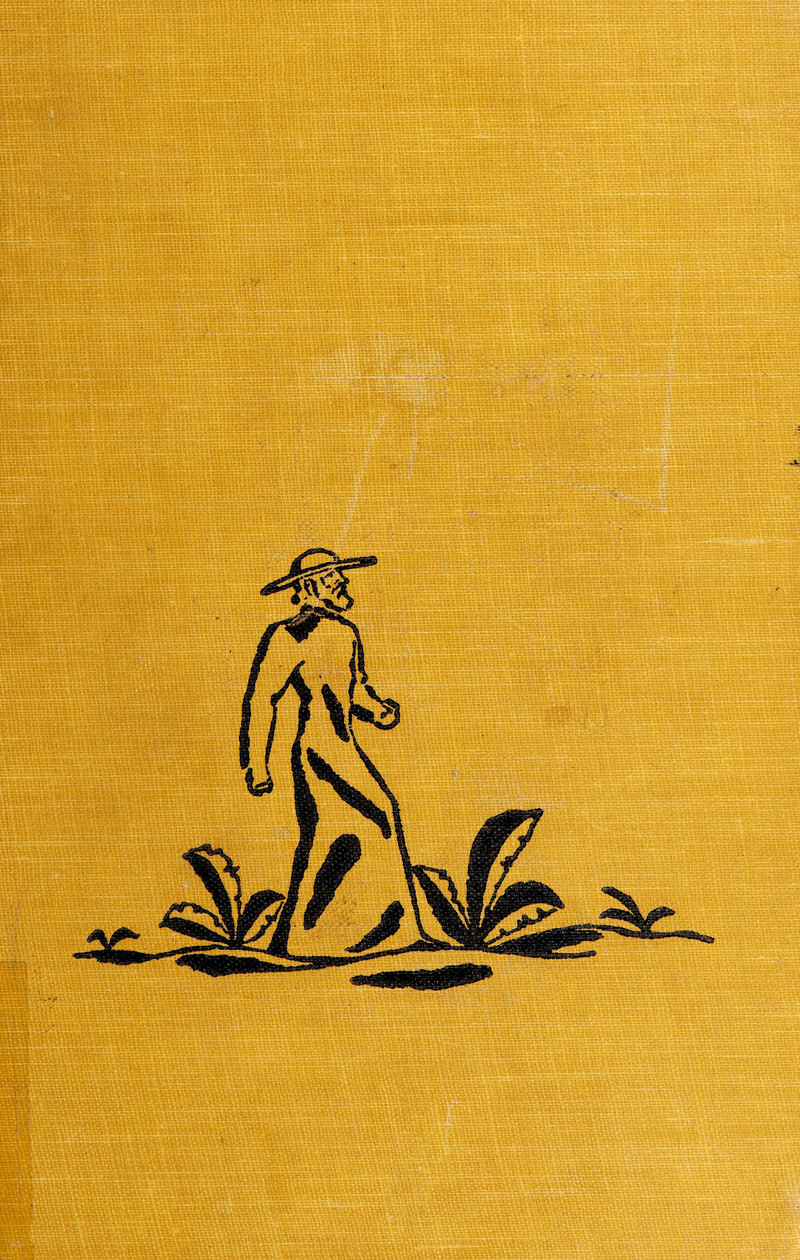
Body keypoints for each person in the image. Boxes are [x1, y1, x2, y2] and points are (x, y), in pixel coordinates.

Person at [240, 548, 429, 959]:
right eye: (332, 577)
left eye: (340, 574)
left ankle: (374, 932)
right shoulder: (286, 636)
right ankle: (312, 938)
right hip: (316, 750)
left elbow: (355, 688)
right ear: (309, 586)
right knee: (366, 819)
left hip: (344, 745)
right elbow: (262, 699)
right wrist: (257, 764)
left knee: (363, 825)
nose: (342, 581)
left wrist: (379, 711)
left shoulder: (345, 632)